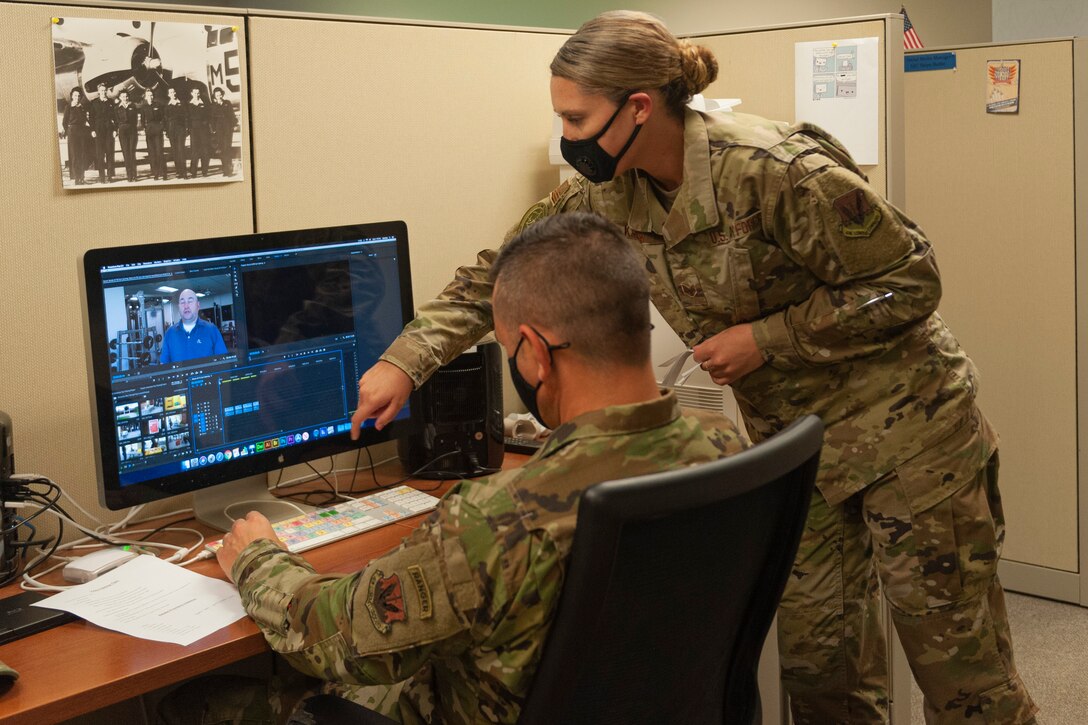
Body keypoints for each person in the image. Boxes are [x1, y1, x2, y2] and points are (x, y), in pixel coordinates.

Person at [351, 11, 1037, 725]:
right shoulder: (606, 189)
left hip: (911, 438)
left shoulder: (772, 171)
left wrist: (768, 338)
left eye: (577, 118)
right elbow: (503, 273)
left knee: (964, 681)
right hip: (805, 447)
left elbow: (911, 278)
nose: (567, 137)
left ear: (638, 108)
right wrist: (406, 362)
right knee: (823, 679)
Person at [161, 212, 748, 724]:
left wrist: (257, 557)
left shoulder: (493, 520)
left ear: (536, 354)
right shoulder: (722, 448)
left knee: (194, 700)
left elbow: (330, 638)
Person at [159, 288, 227, 364]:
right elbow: (163, 364)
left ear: (198, 306)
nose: (186, 306)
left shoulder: (212, 330)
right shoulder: (170, 333)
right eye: (182, 302)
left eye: (190, 301)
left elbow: (223, 362)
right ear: (179, 307)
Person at [61, 88, 92, 186]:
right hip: (73, 132)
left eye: (79, 96)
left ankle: (82, 177)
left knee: (82, 154)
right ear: (72, 96)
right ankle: (76, 178)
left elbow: (86, 119)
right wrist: (69, 131)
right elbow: (64, 122)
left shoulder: (82, 107)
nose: (77, 98)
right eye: (75, 96)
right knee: (74, 155)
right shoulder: (68, 107)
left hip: (82, 132)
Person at [88, 82, 116, 184]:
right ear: (98, 92)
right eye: (101, 91)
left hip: (109, 130)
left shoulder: (111, 102)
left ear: (106, 91)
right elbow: (91, 118)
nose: (103, 92)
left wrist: (114, 130)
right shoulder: (94, 103)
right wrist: (92, 130)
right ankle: (102, 177)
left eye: (105, 90)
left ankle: (110, 176)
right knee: (100, 155)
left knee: (109, 153)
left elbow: (115, 117)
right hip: (98, 131)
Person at [139, 88, 167, 181]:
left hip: (158, 129)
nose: (150, 97)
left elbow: (163, 117)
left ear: (153, 96)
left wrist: (162, 127)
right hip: (149, 131)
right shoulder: (143, 107)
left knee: (159, 151)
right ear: (145, 97)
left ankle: (164, 173)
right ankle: (155, 173)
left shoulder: (158, 105)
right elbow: (142, 120)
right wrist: (144, 128)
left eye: (151, 95)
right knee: (152, 153)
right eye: (148, 95)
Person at [112, 89, 139, 182]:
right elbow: (116, 120)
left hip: (132, 130)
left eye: (126, 96)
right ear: (120, 98)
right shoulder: (116, 108)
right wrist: (116, 130)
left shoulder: (133, 106)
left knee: (132, 152)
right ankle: (129, 175)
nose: (125, 98)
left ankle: (134, 175)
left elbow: (135, 119)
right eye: (123, 96)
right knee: (126, 153)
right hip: (122, 130)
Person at [210, 87, 236, 177]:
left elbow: (232, 116)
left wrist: (232, 126)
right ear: (215, 96)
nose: (219, 96)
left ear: (222, 94)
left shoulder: (227, 103)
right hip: (219, 130)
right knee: (221, 149)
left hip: (228, 129)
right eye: (217, 95)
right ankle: (225, 169)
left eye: (220, 95)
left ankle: (229, 170)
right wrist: (213, 129)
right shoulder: (213, 106)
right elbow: (212, 119)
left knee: (227, 148)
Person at [187, 87, 212, 178]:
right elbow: (187, 118)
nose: (197, 95)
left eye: (198, 93)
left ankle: (204, 170)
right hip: (194, 130)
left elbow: (209, 115)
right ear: (191, 93)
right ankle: (193, 171)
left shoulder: (204, 104)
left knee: (205, 150)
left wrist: (206, 123)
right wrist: (189, 129)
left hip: (203, 129)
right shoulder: (189, 104)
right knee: (195, 150)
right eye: (195, 93)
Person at [164, 86, 188, 180]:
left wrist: (186, 128)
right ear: (168, 94)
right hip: (171, 129)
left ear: (175, 93)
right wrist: (166, 131)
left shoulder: (181, 103)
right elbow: (165, 119)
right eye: (170, 92)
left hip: (180, 128)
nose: (172, 94)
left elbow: (186, 116)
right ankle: (179, 172)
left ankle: (184, 172)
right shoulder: (167, 105)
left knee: (181, 150)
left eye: (174, 92)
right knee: (175, 151)